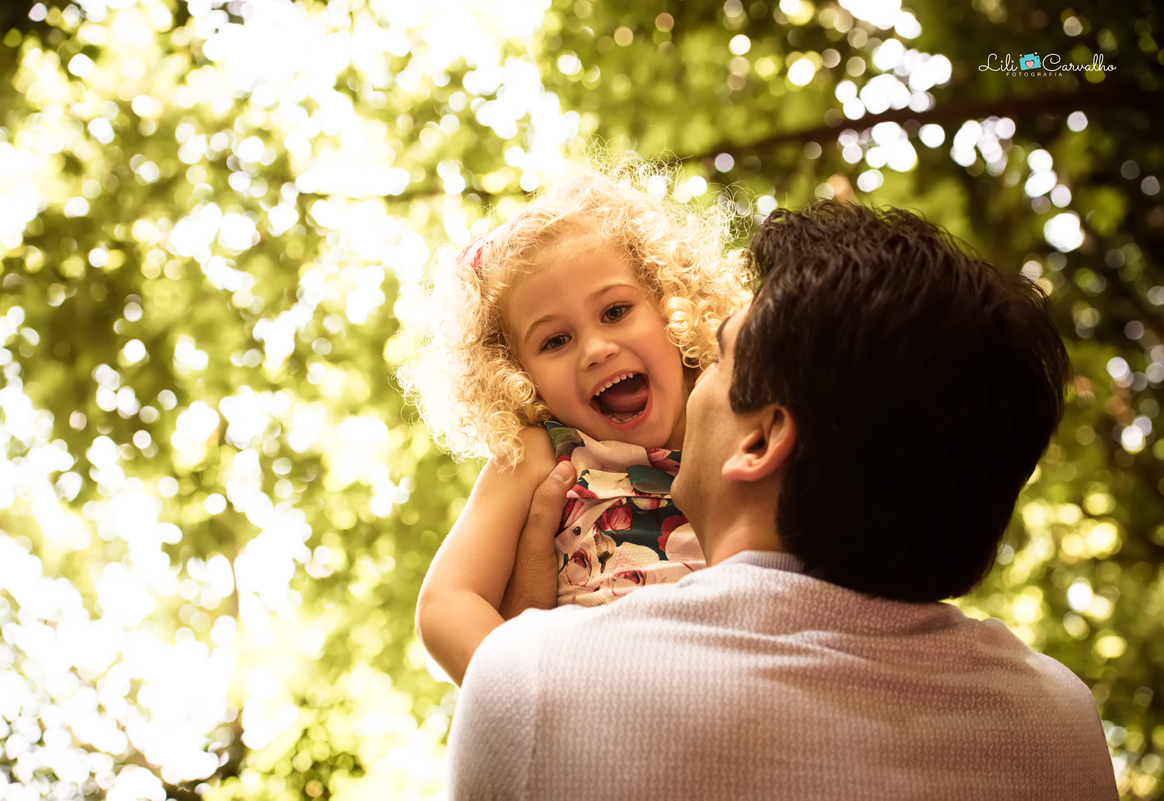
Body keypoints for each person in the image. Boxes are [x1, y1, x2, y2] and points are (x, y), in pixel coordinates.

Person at [447, 200, 1118, 799]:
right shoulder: (1060, 722)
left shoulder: (536, 687)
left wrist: (523, 664)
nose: (600, 347)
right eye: (556, 339)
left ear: (761, 439)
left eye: (714, 357)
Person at [398, 165, 747, 685]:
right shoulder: (544, 456)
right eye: (555, 341)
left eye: (615, 311)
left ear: (669, 302)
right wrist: (529, 695)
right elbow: (448, 603)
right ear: (519, 376)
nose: (596, 349)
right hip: (598, 709)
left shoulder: (739, 414)